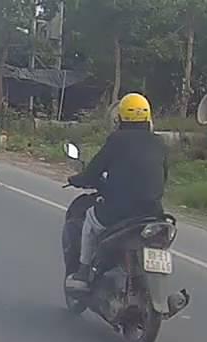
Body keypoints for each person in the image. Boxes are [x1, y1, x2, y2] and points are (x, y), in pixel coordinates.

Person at [65, 93, 169, 291]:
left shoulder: (116, 140)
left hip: (119, 212)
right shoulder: (159, 143)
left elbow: (94, 171)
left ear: (120, 117)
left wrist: (78, 179)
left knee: (89, 222)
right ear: (148, 117)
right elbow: (164, 177)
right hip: (153, 213)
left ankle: (84, 271)